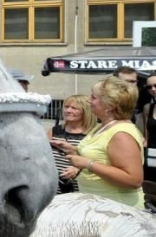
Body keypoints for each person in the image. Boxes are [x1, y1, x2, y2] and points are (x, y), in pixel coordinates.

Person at [52, 77, 145, 208]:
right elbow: (102, 156)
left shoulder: (121, 134)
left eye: (94, 97)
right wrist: (74, 150)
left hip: (117, 209)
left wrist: (88, 164)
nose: (89, 100)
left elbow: (134, 180)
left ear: (110, 105)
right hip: (98, 205)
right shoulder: (102, 126)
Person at [47, 95, 96, 194]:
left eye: (74, 108)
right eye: (66, 107)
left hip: (80, 189)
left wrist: (78, 169)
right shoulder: (54, 130)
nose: (68, 110)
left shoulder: (93, 133)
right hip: (53, 188)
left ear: (85, 111)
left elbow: (99, 161)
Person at [140, 73, 156, 182]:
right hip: (152, 156)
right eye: (149, 87)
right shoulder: (148, 108)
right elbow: (146, 134)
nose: (153, 89)